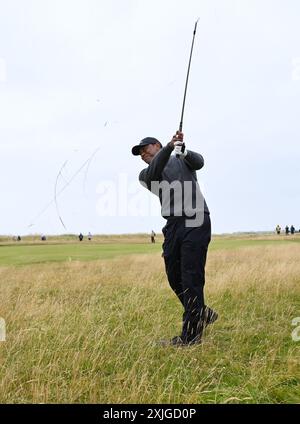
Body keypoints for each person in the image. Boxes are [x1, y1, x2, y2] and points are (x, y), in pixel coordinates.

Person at [132, 131, 218, 346]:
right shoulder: (146, 174)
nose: (142, 154)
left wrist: (183, 149)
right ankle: (201, 312)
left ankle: (190, 337)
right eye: (140, 153)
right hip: (172, 225)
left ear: (156, 145)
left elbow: (199, 163)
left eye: (145, 149)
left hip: (195, 219)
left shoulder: (181, 158)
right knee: (173, 275)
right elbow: (155, 171)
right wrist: (170, 148)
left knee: (191, 276)